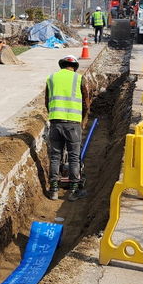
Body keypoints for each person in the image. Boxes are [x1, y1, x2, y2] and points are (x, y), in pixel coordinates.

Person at [45, 55, 89, 201]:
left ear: (61, 65)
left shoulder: (51, 78)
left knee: (55, 156)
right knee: (74, 157)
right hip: (73, 124)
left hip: (56, 122)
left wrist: (54, 115)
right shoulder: (79, 78)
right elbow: (86, 103)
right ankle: (73, 191)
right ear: (75, 67)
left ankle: (54, 190)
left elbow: (47, 101)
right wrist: (83, 120)